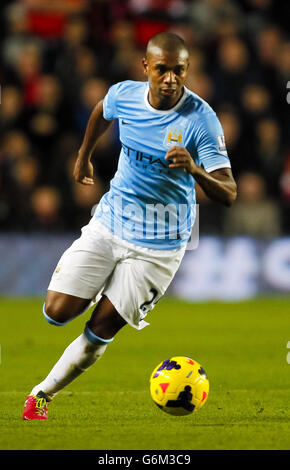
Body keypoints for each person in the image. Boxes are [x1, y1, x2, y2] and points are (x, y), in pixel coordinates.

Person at [23, 32, 237, 420]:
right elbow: (101, 111)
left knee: (100, 330)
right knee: (55, 312)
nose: (171, 78)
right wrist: (84, 156)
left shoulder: (201, 120)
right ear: (146, 68)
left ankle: (41, 394)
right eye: (162, 70)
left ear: (187, 70)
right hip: (111, 221)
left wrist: (194, 169)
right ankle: (99, 286)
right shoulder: (125, 95)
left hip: (161, 243)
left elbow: (229, 193)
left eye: (179, 71)